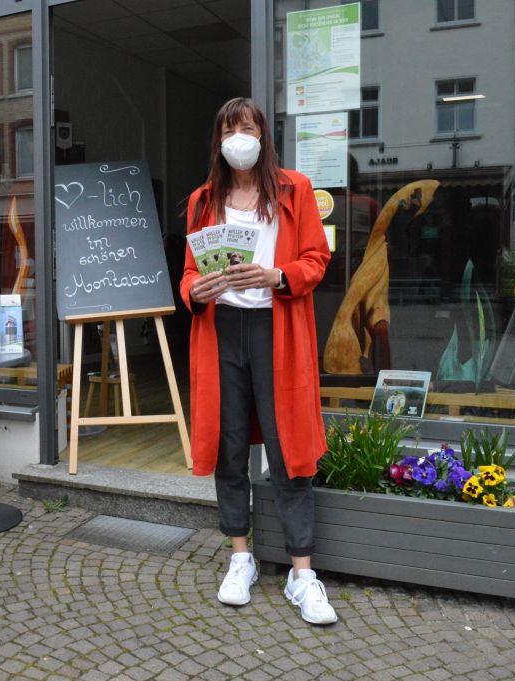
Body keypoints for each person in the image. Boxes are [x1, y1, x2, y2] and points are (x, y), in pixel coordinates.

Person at [181, 97, 336, 625]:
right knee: (228, 447)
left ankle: (301, 573)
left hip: (278, 328)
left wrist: (276, 275)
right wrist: (196, 289)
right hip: (221, 329)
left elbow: (317, 258)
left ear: (263, 134)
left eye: (245, 128)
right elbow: (187, 273)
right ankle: (240, 558)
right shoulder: (204, 199)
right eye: (228, 130)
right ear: (218, 141)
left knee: (288, 446)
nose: (237, 139)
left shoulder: (294, 188)